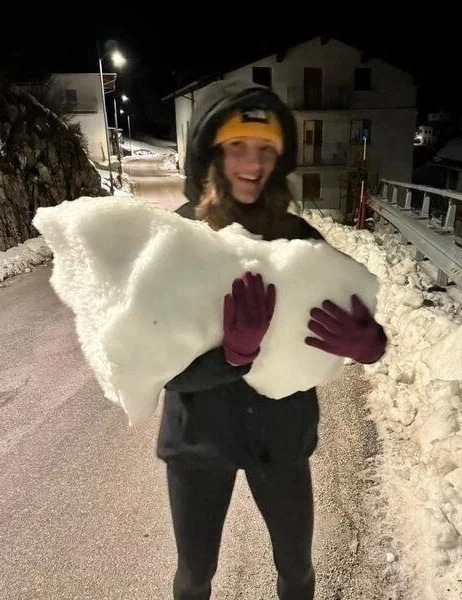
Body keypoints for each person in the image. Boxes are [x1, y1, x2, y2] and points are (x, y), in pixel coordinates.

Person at [156, 79, 387, 600]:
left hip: (280, 437)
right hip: (198, 440)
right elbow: (156, 366)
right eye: (237, 145)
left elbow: (346, 315)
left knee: (297, 569)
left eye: (265, 149)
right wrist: (233, 356)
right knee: (195, 575)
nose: (252, 162)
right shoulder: (178, 241)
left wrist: (368, 345)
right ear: (211, 152)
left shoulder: (299, 240)